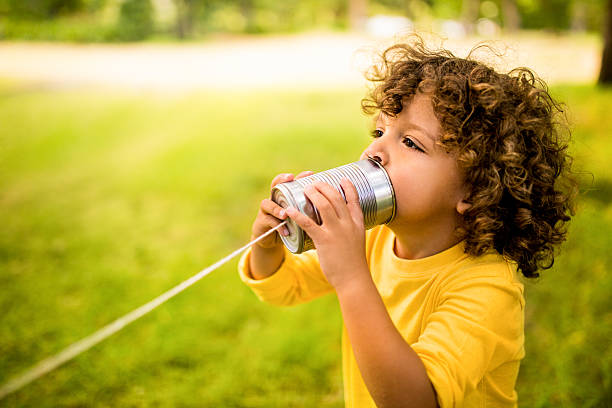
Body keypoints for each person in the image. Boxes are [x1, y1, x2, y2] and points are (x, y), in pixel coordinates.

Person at [237, 37, 575, 408]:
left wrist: (351, 278)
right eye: (380, 132)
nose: (374, 152)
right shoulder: (374, 238)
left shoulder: (487, 288)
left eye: (411, 143)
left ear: (478, 187)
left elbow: (414, 400)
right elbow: (285, 286)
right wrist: (267, 242)